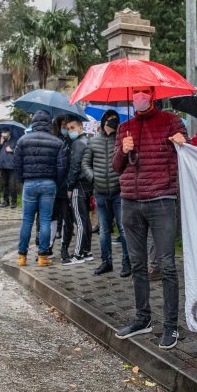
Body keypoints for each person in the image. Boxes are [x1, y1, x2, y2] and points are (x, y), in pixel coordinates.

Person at [112, 85, 187, 350]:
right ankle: (142, 318)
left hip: (161, 201)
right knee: (137, 264)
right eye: (135, 93)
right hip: (130, 202)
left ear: (153, 95)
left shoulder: (171, 121)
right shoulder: (125, 128)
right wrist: (123, 150)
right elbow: (116, 166)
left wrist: (183, 143)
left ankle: (170, 325)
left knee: (166, 265)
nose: (139, 97)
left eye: (144, 92)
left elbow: (188, 154)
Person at [13, 111, 65, 267]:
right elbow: (61, 167)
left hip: (29, 183)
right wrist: (55, 182)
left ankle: (22, 256)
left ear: (33, 123)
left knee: (27, 220)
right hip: (49, 184)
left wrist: (23, 179)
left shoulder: (23, 140)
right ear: (49, 124)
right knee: (45, 220)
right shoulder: (57, 142)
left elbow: (16, 163)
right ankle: (43, 256)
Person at [82, 110, 131, 277]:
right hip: (101, 193)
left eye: (116, 119)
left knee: (123, 229)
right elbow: (85, 164)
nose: (113, 121)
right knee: (103, 230)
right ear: (104, 122)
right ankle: (106, 262)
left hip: (119, 193)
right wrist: (93, 178)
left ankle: (127, 263)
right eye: (110, 119)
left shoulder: (121, 141)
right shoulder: (93, 142)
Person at [63, 117, 93, 265]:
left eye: (72, 128)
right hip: (87, 186)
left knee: (80, 221)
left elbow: (75, 166)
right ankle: (87, 251)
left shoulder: (77, 143)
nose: (70, 131)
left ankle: (78, 254)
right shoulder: (88, 141)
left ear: (81, 127)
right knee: (85, 220)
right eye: (68, 129)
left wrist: (69, 186)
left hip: (78, 186)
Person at [52, 116, 75, 260]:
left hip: (67, 187)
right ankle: (47, 249)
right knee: (52, 219)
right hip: (55, 186)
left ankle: (64, 249)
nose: (66, 129)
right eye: (63, 126)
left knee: (68, 220)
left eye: (68, 126)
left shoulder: (72, 142)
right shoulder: (54, 141)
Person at [0, 130, 18, 208]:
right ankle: (5, 201)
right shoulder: (1, 141)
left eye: (5, 133)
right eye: (2, 133)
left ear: (9, 133)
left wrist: (12, 150)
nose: (3, 135)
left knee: (12, 184)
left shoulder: (15, 141)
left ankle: (14, 202)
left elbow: (19, 151)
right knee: (5, 184)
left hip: (12, 166)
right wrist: (0, 143)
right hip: (2, 165)